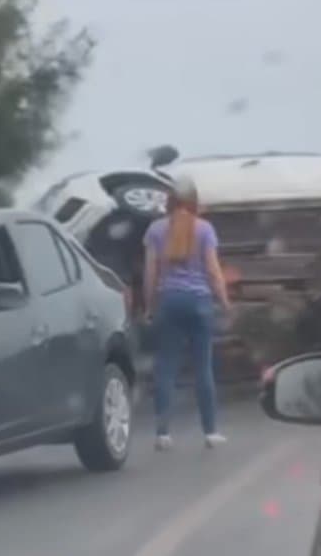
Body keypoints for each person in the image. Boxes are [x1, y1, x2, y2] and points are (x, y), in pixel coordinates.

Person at [142, 175, 231, 450]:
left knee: (166, 368)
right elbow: (214, 272)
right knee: (203, 368)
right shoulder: (204, 229)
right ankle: (210, 432)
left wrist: (149, 306)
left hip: (170, 302)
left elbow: (150, 273)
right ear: (194, 202)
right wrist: (225, 302)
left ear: (169, 201)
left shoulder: (155, 230)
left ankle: (163, 434)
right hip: (200, 303)